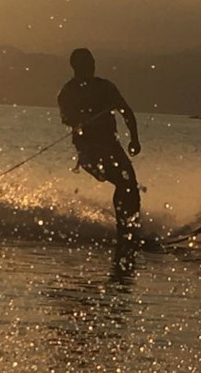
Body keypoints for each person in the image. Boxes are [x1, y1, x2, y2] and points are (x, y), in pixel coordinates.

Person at [57, 48, 142, 242]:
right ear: (77, 66)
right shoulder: (67, 92)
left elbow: (126, 111)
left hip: (112, 146)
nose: (93, 66)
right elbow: (66, 117)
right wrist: (81, 119)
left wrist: (134, 139)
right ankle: (124, 231)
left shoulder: (106, 88)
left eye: (93, 62)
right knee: (122, 183)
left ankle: (132, 228)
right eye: (88, 63)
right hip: (88, 150)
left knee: (130, 184)